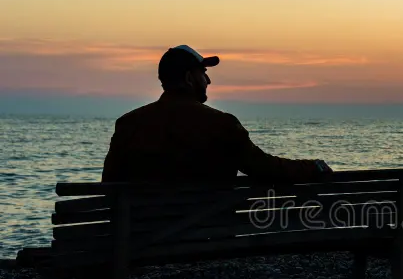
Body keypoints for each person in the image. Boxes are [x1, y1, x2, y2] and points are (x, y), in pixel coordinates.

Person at [101, 45, 332, 183]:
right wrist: (314, 167)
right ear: (190, 79)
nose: (208, 80)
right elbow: (265, 169)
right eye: (203, 73)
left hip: (141, 236)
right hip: (207, 236)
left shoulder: (128, 124)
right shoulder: (222, 125)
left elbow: (109, 184)